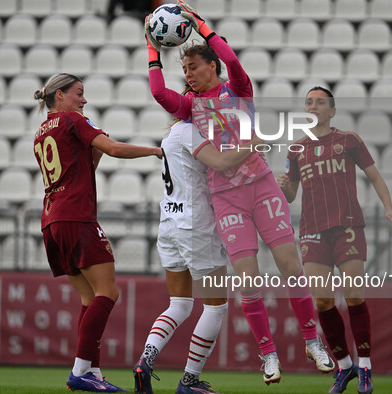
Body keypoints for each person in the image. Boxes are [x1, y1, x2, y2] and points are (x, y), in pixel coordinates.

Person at [145, 0, 334, 384]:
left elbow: (233, 59)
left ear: (211, 66)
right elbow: (158, 93)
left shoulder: (239, 90)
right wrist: (151, 44)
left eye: (193, 66)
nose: (188, 74)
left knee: (290, 267)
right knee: (248, 280)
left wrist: (198, 23)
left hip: (262, 186)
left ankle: (313, 342)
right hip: (226, 197)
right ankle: (268, 355)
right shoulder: (189, 107)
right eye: (183, 69)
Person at [32, 73, 162, 393]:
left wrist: (96, 148)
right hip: (77, 217)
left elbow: (84, 165)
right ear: (60, 96)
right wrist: (156, 151)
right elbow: (114, 149)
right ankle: (80, 373)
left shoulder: (41, 131)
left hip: (51, 219)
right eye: (79, 93)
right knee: (108, 293)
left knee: (89, 297)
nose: (83, 99)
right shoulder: (72, 119)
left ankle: (93, 372)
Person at [277, 86, 392, 394]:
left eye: (320, 102)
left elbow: (374, 176)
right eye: (309, 102)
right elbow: (292, 194)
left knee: (354, 296)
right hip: (313, 230)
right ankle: (345, 366)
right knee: (323, 301)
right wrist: (283, 187)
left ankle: (367, 367)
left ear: (332, 111)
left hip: (347, 227)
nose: (314, 106)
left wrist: (388, 208)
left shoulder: (348, 140)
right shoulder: (296, 149)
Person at [133, 118, 263, 394]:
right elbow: (220, 163)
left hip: (170, 222)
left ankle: (145, 361)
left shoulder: (172, 134)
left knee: (179, 304)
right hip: (195, 225)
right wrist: (252, 144)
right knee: (216, 306)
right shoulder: (190, 131)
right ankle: (189, 381)